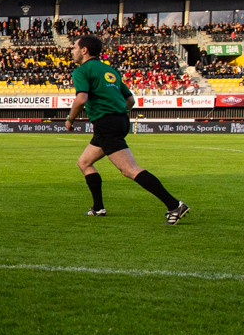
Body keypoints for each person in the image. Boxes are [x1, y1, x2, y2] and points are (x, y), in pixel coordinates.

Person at [66, 35, 189, 224]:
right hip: (119, 120)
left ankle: (174, 205)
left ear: (84, 50)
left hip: (106, 124)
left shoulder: (82, 71)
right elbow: (130, 101)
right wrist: (116, 113)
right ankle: (98, 208)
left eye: (74, 47)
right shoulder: (110, 70)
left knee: (129, 170)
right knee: (84, 162)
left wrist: (70, 119)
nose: (72, 50)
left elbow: (81, 99)